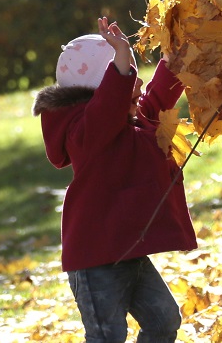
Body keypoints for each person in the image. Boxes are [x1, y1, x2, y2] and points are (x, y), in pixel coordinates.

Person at [32, 17, 197, 343]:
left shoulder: (130, 121)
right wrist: (120, 61)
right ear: (98, 92)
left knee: (164, 320)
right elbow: (105, 109)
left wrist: (176, 59)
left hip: (129, 250)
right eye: (127, 76)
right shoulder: (86, 134)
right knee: (108, 335)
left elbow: (156, 98)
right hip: (95, 258)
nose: (137, 85)